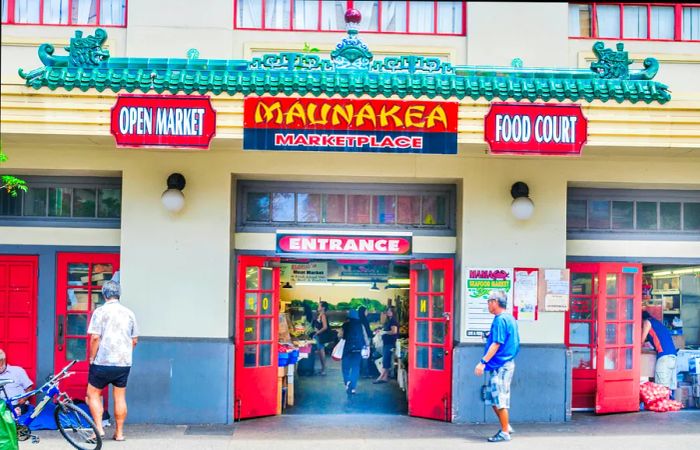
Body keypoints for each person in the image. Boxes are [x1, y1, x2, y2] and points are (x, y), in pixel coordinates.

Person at [85, 280, 138, 442]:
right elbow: (134, 340)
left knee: (92, 394)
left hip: (103, 362)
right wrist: (125, 354)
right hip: (123, 363)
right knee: (120, 396)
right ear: (118, 294)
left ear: (104, 294)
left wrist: (92, 357)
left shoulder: (100, 312)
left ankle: (99, 429)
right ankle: (119, 433)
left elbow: (95, 337)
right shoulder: (129, 313)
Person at [474, 290, 520, 443]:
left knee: (499, 399)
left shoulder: (500, 319)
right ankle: (506, 425)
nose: (487, 304)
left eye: (488, 301)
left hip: (501, 365)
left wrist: (482, 362)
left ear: (495, 302)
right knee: (494, 399)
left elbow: (497, 344)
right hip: (503, 364)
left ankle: (505, 432)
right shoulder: (509, 318)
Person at [641, 310, 677, 389]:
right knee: (668, 388)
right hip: (672, 357)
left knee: (661, 389)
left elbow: (641, 341)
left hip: (664, 357)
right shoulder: (657, 323)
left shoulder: (647, 322)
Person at [340, 309, 369, 398]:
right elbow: (365, 336)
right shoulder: (361, 325)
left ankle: (347, 381)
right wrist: (367, 346)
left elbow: (340, 335)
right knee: (356, 368)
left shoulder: (345, 325)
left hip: (348, 348)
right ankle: (352, 388)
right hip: (358, 348)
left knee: (345, 367)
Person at [0, 349, 34, 415]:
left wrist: (24, 399)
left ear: (3, 360)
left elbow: (29, 388)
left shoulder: (17, 371)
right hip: (2, 407)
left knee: (13, 415)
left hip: (17, 405)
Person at [373, 306, 398, 384]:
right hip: (387, 343)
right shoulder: (389, 320)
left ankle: (380, 377)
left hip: (390, 343)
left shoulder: (393, 320)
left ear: (393, 312)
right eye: (387, 311)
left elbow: (394, 331)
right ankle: (385, 377)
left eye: (390, 311)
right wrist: (381, 331)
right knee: (386, 360)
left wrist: (385, 332)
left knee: (385, 360)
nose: (388, 312)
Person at [312, 301, 331, 376]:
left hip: (321, 336)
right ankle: (323, 368)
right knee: (320, 352)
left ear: (323, 307)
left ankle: (324, 369)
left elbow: (325, 326)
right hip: (319, 336)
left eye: (319, 305)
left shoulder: (323, 315)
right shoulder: (320, 315)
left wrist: (317, 332)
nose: (318, 307)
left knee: (322, 352)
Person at [358, 306, 373, 378]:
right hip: (365, 340)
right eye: (366, 311)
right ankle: (365, 373)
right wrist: (372, 334)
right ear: (363, 312)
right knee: (366, 357)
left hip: (359, 341)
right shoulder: (365, 320)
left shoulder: (358, 320)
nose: (367, 312)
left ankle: (360, 372)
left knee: (361, 357)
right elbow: (368, 332)